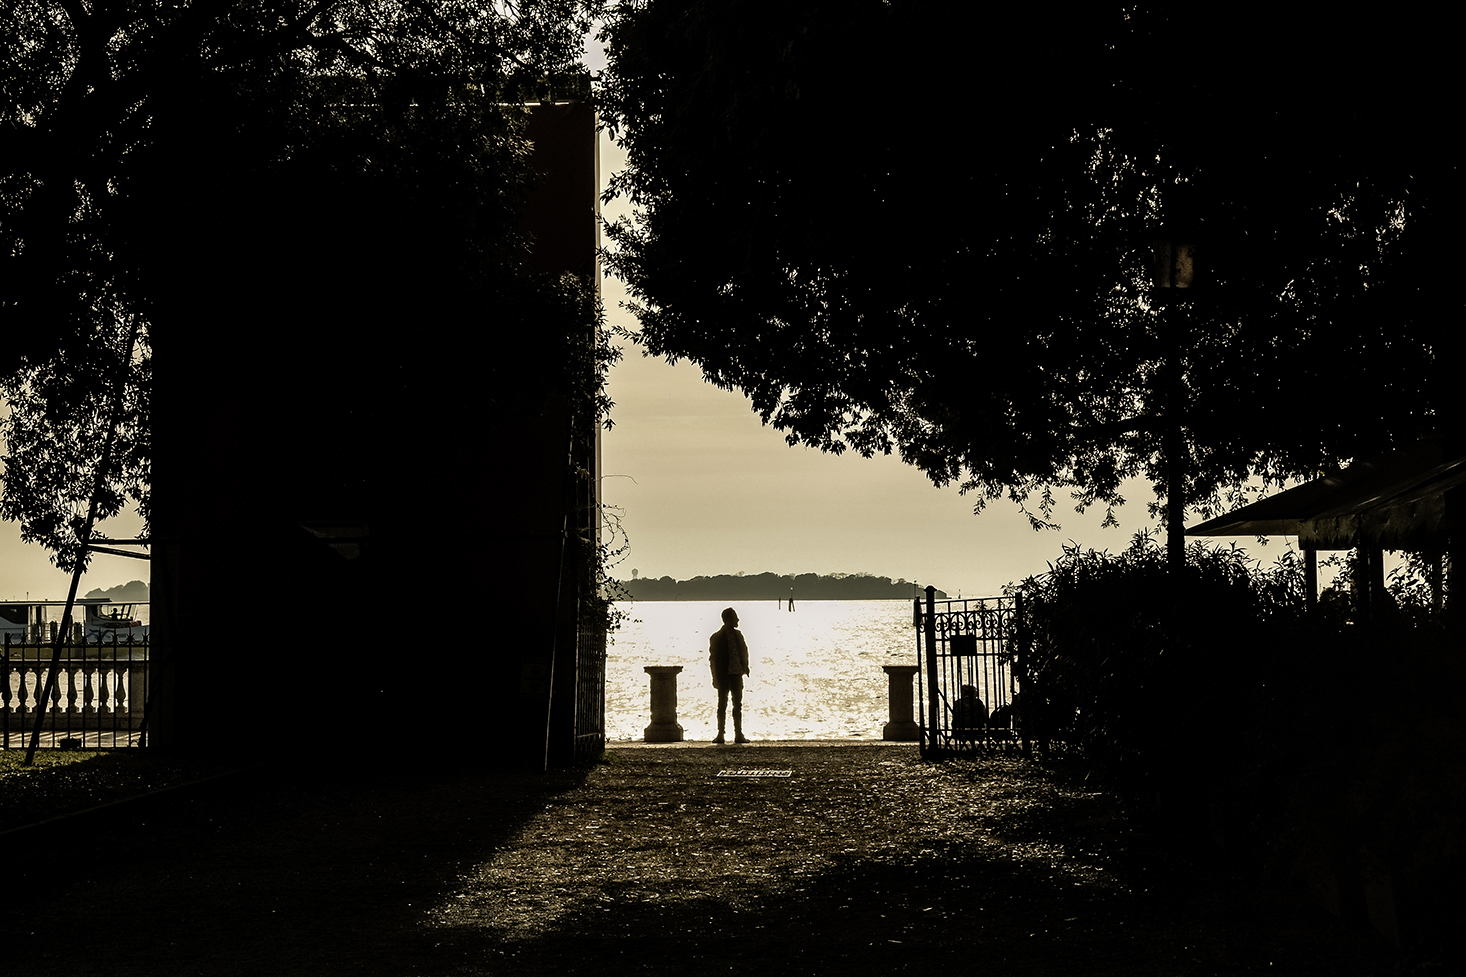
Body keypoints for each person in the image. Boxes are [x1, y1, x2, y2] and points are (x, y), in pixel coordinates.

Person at [708, 607, 750, 744]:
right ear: (727, 620)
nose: (738, 620)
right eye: (735, 618)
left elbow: (744, 652)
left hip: (737, 674)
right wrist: (715, 678)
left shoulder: (738, 635)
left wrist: (745, 668)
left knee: (737, 705)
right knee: (722, 705)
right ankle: (721, 734)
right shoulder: (716, 638)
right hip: (723, 676)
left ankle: (738, 734)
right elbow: (713, 660)